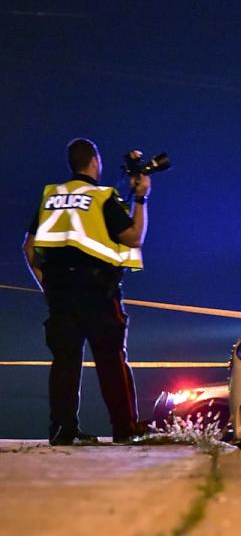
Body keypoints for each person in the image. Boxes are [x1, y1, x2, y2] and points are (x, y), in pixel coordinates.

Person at [22, 138, 152, 445]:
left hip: (60, 294)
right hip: (97, 293)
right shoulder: (102, 196)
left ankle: (62, 430)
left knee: (65, 362)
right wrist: (141, 199)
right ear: (95, 161)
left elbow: (28, 249)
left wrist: (48, 286)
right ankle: (124, 428)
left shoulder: (50, 196)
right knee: (111, 360)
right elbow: (133, 237)